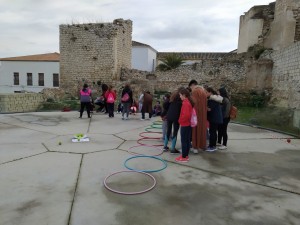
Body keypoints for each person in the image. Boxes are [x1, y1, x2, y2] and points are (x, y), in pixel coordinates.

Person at [188, 80, 208, 153]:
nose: (190, 88)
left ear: (192, 85)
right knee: (202, 129)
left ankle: (195, 147)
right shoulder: (203, 92)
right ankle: (202, 145)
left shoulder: (195, 92)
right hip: (203, 114)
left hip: (195, 114)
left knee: (195, 130)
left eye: (190, 87)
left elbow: (193, 104)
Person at [176, 88, 194, 162]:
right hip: (187, 124)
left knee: (184, 141)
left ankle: (184, 157)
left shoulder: (186, 103)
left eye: (180, 95)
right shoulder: (187, 102)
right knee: (186, 140)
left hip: (185, 124)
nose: (180, 96)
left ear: (184, 95)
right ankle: (185, 155)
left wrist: (180, 121)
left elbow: (186, 115)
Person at [206, 87, 223, 152]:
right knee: (213, 132)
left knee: (212, 132)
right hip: (215, 118)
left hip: (214, 119)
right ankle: (212, 145)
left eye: (206, 92)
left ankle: (212, 146)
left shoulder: (212, 100)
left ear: (210, 92)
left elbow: (209, 109)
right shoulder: (215, 98)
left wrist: (205, 107)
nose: (205, 93)